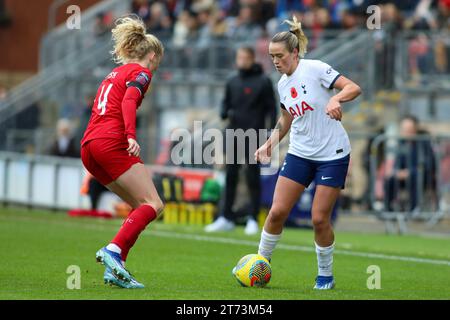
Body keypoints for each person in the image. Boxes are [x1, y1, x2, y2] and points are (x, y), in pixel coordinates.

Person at [253, 16, 361, 290]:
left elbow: (353, 87)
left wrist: (336, 98)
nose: (276, 62)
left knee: (318, 218)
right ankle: (259, 264)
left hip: (332, 155)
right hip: (300, 153)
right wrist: (268, 144)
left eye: (280, 56)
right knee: (277, 212)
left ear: (294, 53)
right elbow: (286, 120)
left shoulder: (315, 69)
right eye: (271, 57)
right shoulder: (281, 85)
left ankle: (325, 275)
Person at [80, 16, 164, 289]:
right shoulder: (141, 72)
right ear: (152, 55)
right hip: (111, 142)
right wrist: (130, 135)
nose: (157, 65)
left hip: (89, 146)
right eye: (158, 59)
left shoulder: (113, 74)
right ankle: (113, 251)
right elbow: (128, 102)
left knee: (140, 206)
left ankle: (117, 268)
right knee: (153, 204)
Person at [204, 46, 277, 235]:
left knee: (253, 176)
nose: (242, 61)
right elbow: (225, 102)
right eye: (240, 57)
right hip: (234, 133)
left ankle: (253, 218)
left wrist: (269, 136)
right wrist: (223, 112)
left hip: (256, 134)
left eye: (246, 57)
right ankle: (225, 217)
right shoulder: (232, 81)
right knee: (231, 175)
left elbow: (272, 109)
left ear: (253, 59)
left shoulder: (263, 81)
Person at [384, 115, 436, 212]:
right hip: (405, 176)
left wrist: (410, 172)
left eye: (408, 129)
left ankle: (414, 209)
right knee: (390, 178)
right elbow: (397, 163)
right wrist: (395, 172)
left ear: (415, 129)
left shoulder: (424, 143)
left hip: (423, 177)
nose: (405, 132)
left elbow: (427, 165)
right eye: (404, 129)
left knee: (415, 177)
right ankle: (388, 210)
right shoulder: (401, 143)